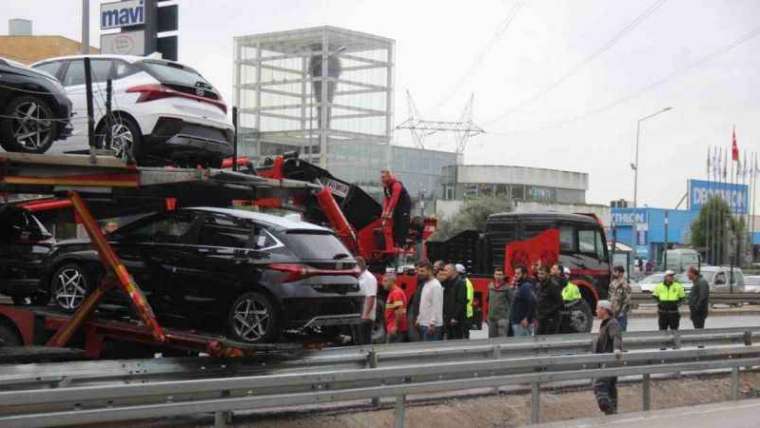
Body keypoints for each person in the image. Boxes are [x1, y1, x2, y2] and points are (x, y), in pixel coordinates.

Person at [592, 300, 623, 415]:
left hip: (610, 360)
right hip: (606, 360)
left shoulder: (612, 323)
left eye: (597, 309)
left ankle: (607, 408)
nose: (596, 311)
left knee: (599, 385)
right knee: (610, 387)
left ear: (604, 310)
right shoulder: (605, 323)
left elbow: (616, 337)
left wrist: (617, 349)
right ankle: (612, 412)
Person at [380, 170, 412, 250]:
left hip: (404, 205)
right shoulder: (386, 187)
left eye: (383, 177)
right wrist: (384, 211)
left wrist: (388, 211)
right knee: (395, 221)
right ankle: (395, 242)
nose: (382, 179)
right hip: (398, 206)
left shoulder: (396, 185)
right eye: (381, 177)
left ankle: (401, 243)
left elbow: (394, 199)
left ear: (389, 177)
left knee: (402, 222)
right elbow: (387, 199)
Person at [415, 260, 444, 341]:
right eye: (419, 271)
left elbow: (437, 306)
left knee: (430, 352)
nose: (419, 273)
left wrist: (432, 323)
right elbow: (424, 304)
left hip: (431, 326)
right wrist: (419, 319)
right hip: (424, 324)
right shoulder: (426, 284)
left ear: (430, 271)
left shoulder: (436, 285)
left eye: (422, 271)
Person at [442, 263, 468, 339]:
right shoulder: (447, 282)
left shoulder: (461, 283)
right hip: (448, 317)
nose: (444, 272)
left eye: (446, 270)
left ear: (453, 271)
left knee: (456, 339)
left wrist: (455, 317)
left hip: (456, 320)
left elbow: (461, 302)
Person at [536, 265, 563, 335]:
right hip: (541, 319)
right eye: (538, 273)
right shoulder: (539, 285)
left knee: (548, 343)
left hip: (551, 320)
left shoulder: (553, 285)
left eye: (542, 274)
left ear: (548, 274)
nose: (539, 276)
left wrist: (547, 312)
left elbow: (560, 302)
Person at [510, 265, 536, 337]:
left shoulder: (526, 286)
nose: (515, 275)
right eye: (515, 273)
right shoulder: (520, 285)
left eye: (518, 273)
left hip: (522, 323)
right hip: (518, 322)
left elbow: (532, 302)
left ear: (524, 275)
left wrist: (527, 318)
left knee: (522, 345)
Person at [356, 257, 377, 345]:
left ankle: (369, 358)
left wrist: (365, 315)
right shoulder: (361, 277)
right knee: (361, 341)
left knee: (365, 341)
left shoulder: (369, 278)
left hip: (366, 317)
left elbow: (370, 297)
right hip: (361, 315)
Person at [487, 267, 513, 338]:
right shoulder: (490, 286)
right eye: (497, 274)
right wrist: (488, 316)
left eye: (500, 274)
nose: (498, 276)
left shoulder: (507, 288)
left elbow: (511, 302)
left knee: (501, 340)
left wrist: (508, 316)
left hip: (503, 319)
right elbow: (488, 301)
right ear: (494, 275)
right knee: (491, 340)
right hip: (492, 318)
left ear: (503, 276)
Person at [383, 274, 408, 343]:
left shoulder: (396, 293)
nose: (383, 283)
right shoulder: (393, 292)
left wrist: (395, 326)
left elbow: (399, 311)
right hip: (394, 328)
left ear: (392, 281)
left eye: (385, 281)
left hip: (396, 329)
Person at [608, 265, 633, 332]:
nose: (613, 273)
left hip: (621, 313)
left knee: (621, 332)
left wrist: (622, 311)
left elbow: (627, 300)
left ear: (621, 273)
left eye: (615, 272)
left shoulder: (625, 285)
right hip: (613, 312)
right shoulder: (612, 284)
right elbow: (610, 298)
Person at [456, 263, 475, 338]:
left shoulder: (463, 282)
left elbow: (466, 299)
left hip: (464, 313)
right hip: (467, 312)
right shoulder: (466, 281)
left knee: (463, 335)